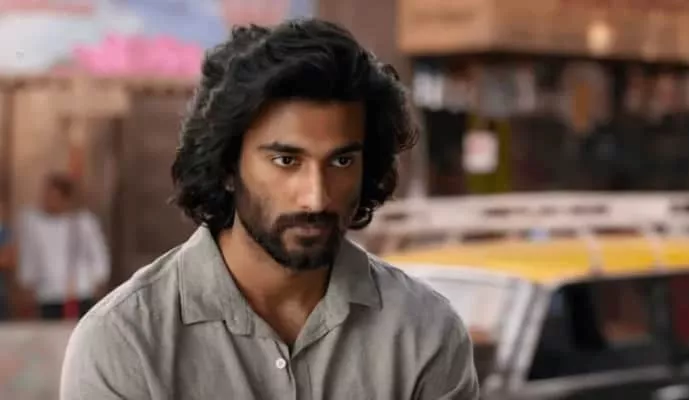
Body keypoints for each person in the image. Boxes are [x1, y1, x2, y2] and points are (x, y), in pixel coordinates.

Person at [61, 19, 479, 400]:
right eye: (286, 160)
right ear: (228, 166)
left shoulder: (423, 331)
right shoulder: (126, 342)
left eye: (341, 161)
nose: (316, 198)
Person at [17, 173, 110, 320]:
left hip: (79, 290)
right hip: (48, 293)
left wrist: (99, 277)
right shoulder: (34, 224)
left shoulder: (83, 222)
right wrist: (27, 282)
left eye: (53, 196)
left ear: (65, 198)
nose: (48, 200)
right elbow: (30, 256)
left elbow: (97, 253)